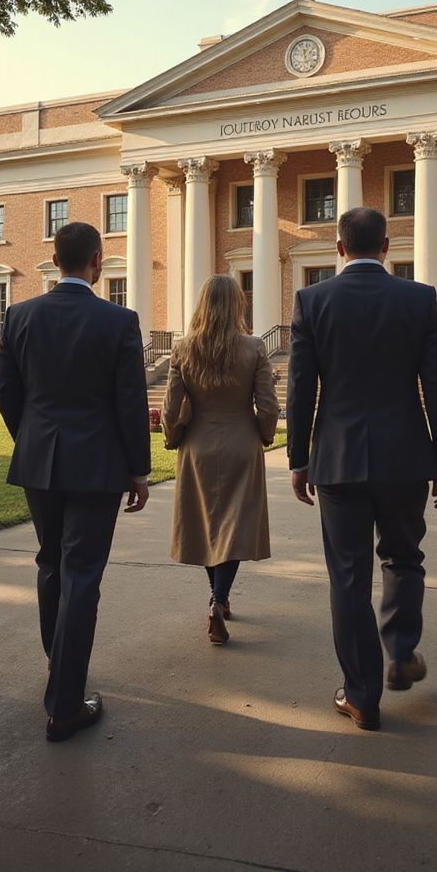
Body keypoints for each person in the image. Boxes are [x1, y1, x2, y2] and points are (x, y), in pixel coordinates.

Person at [286, 207, 437, 731]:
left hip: (337, 459)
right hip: (405, 456)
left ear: (338, 248)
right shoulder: (419, 298)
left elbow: (301, 389)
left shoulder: (312, 301)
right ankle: (402, 649)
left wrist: (298, 458)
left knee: (347, 575)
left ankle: (361, 696)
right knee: (404, 558)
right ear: (387, 245)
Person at [0, 221, 151, 742]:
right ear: (97, 261)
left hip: (41, 460)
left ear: (55, 259)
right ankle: (65, 701)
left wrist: (34, 440)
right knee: (82, 572)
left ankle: (57, 663)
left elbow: (9, 398)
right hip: (97, 464)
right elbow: (130, 402)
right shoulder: (118, 320)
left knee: (51, 564)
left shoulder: (19, 315)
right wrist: (138, 468)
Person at [162, 274, 279, 645]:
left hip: (197, 445)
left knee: (205, 523)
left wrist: (173, 437)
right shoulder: (254, 347)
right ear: (237, 306)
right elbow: (269, 405)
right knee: (233, 525)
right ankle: (220, 599)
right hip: (241, 442)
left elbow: (169, 408)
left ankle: (216, 597)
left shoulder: (184, 349)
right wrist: (263, 434)